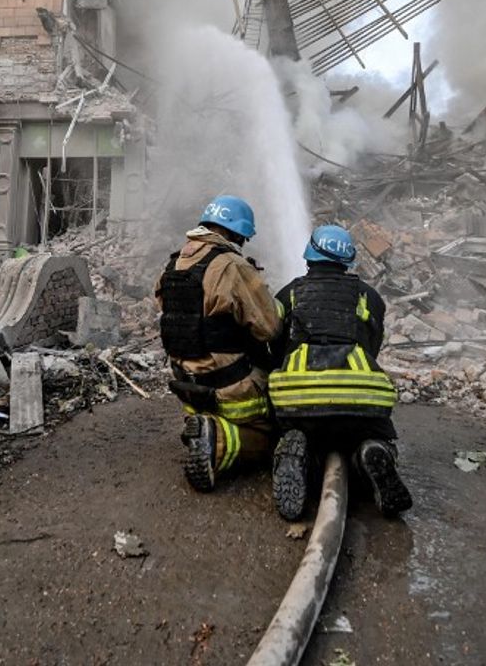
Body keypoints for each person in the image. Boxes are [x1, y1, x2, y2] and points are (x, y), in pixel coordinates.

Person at [268, 224, 411, 519]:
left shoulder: (289, 294)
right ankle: (372, 449)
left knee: (292, 425)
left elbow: (276, 347)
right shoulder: (368, 297)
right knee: (371, 430)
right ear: (348, 259)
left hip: (299, 399)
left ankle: (295, 447)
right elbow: (373, 347)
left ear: (309, 255)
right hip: (360, 398)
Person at [154, 195, 282, 492]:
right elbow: (268, 329)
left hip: (189, 386)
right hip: (231, 385)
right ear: (236, 233)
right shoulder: (232, 266)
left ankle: (202, 427)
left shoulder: (173, 266)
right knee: (275, 434)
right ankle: (218, 440)